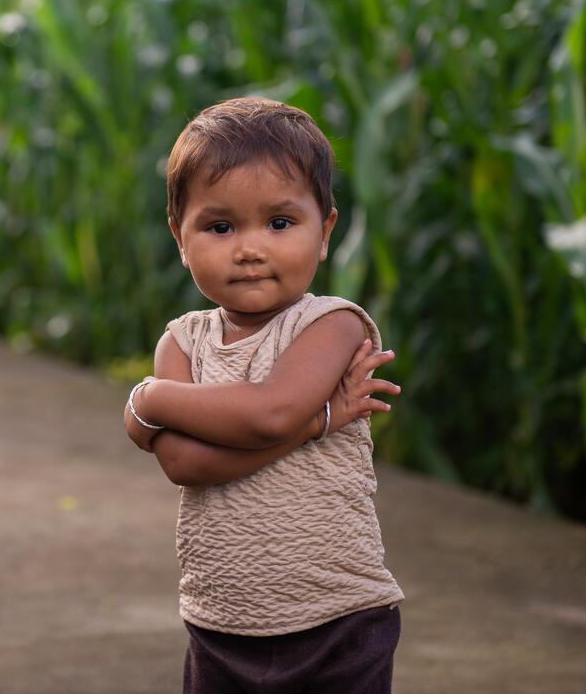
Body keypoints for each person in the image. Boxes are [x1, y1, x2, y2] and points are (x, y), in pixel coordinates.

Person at [124, 97, 404, 693]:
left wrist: (147, 402)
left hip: (337, 617)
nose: (250, 248)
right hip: (222, 622)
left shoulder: (332, 325)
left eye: (280, 223)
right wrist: (318, 422)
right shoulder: (184, 340)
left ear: (324, 232)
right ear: (180, 237)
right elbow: (183, 463)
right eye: (220, 227)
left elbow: (272, 413)